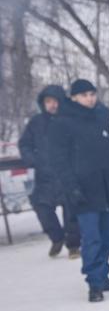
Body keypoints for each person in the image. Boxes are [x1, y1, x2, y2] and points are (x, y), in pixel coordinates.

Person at [56, 79, 109, 302]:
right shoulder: (64, 122)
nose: (90, 98)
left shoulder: (102, 115)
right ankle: (94, 283)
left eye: (92, 93)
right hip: (84, 192)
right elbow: (61, 161)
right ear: (74, 97)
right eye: (85, 94)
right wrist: (72, 189)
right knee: (92, 239)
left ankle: (102, 275)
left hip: (107, 188)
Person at [19, 85, 80, 257]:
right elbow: (24, 144)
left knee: (72, 211)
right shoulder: (36, 123)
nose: (52, 105)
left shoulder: (70, 120)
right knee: (41, 207)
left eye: (55, 101)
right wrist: (33, 160)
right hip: (44, 175)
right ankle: (56, 238)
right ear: (43, 103)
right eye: (48, 101)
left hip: (67, 175)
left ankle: (73, 245)